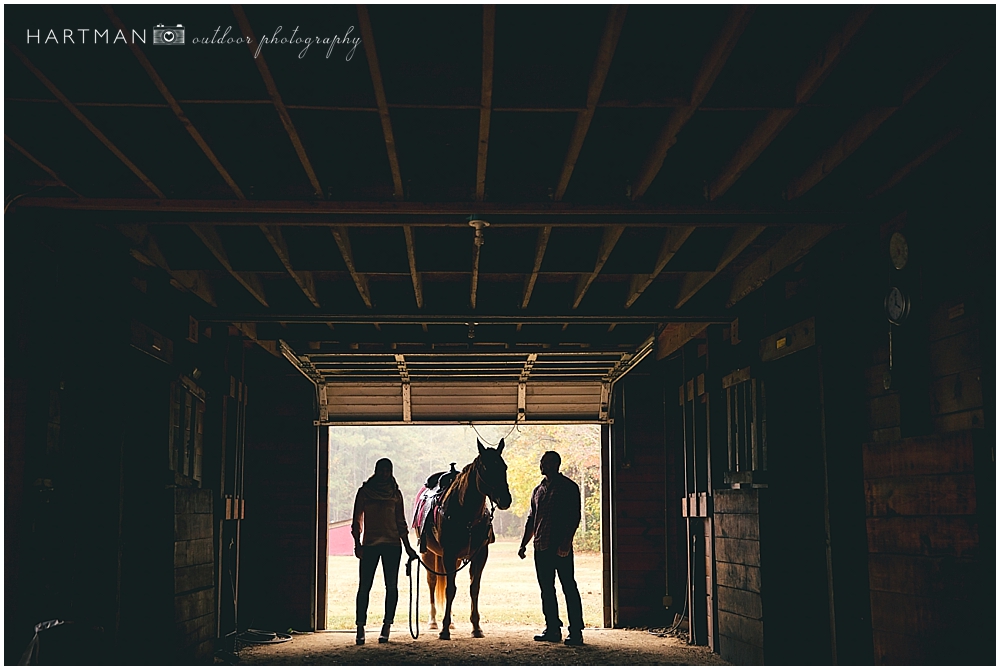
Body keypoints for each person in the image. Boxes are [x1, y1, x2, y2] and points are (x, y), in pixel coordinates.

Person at [517, 450, 585, 646]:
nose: (541, 465)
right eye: (541, 462)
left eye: (544, 462)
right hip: (541, 547)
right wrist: (523, 544)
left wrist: (566, 542)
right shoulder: (538, 490)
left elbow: (574, 517)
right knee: (546, 589)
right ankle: (552, 628)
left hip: (560, 547)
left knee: (568, 587)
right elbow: (532, 519)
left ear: (555, 464)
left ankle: (576, 631)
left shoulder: (568, 487)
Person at [351, 458, 418, 645]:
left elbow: (401, 522)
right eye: (382, 470)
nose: (384, 474)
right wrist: (357, 543)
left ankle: (387, 625)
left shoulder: (395, 494)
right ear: (376, 471)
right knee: (364, 587)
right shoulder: (364, 492)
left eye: (388, 470)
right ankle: (360, 627)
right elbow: (357, 519)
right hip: (370, 545)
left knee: (391, 586)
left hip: (392, 545)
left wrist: (408, 547)